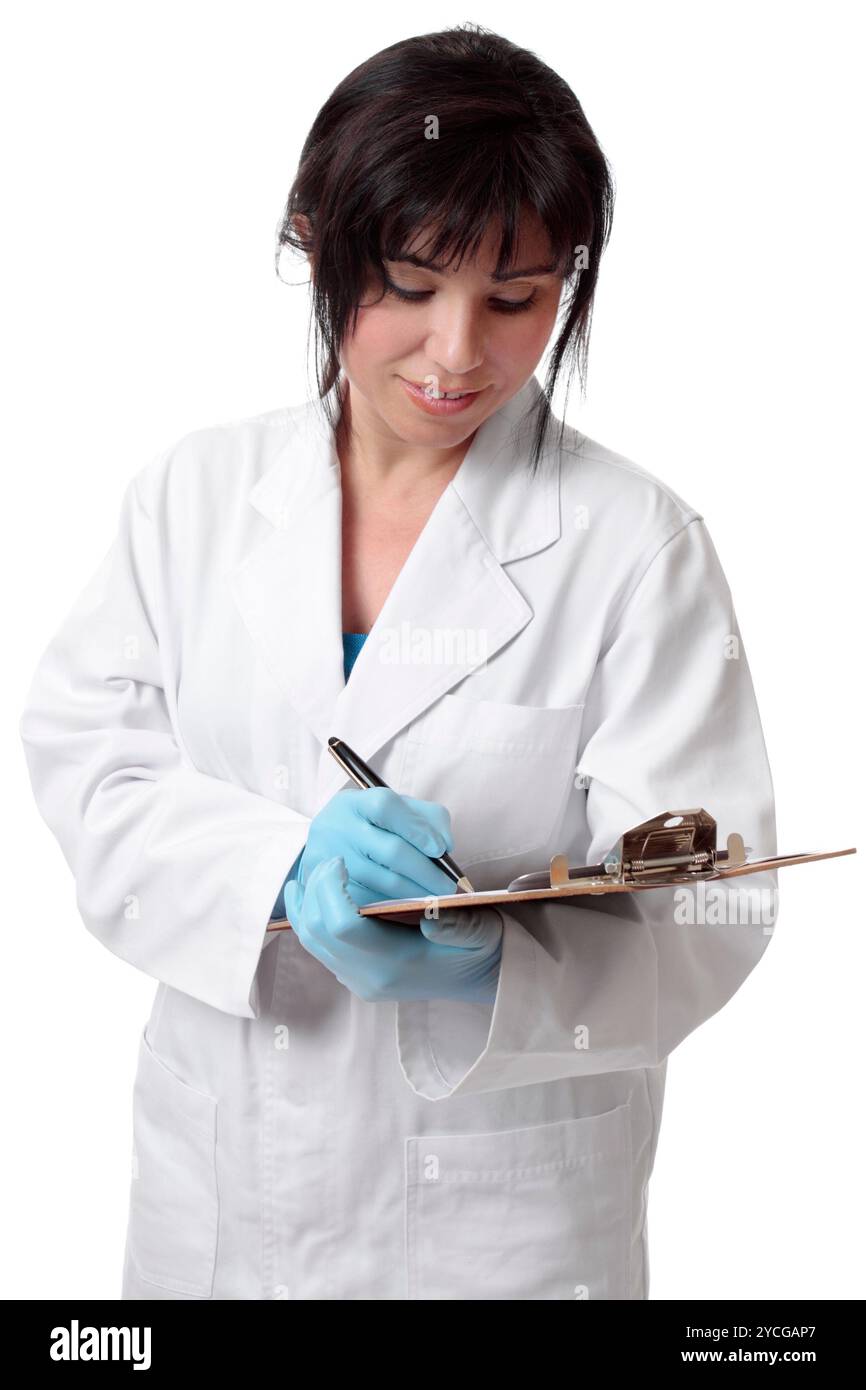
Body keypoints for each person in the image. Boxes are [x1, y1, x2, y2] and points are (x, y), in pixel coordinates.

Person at [19, 23, 777, 1301]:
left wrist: (494, 965)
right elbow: (90, 765)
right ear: (316, 244)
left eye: (516, 298)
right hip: (222, 1201)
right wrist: (276, 866)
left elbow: (712, 905)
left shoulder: (634, 545)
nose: (455, 353)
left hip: (507, 1230)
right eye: (411, 285)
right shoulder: (192, 498)